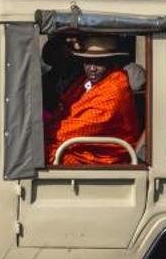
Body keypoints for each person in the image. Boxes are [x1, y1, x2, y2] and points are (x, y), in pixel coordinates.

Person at [48, 34, 141, 166]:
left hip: (102, 157)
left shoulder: (114, 89)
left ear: (111, 62)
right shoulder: (84, 83)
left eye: (99, 62)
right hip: (81, 147)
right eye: (88, 61)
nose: (92, 68)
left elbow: (79, 129)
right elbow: (63, 108)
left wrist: (41, 132)